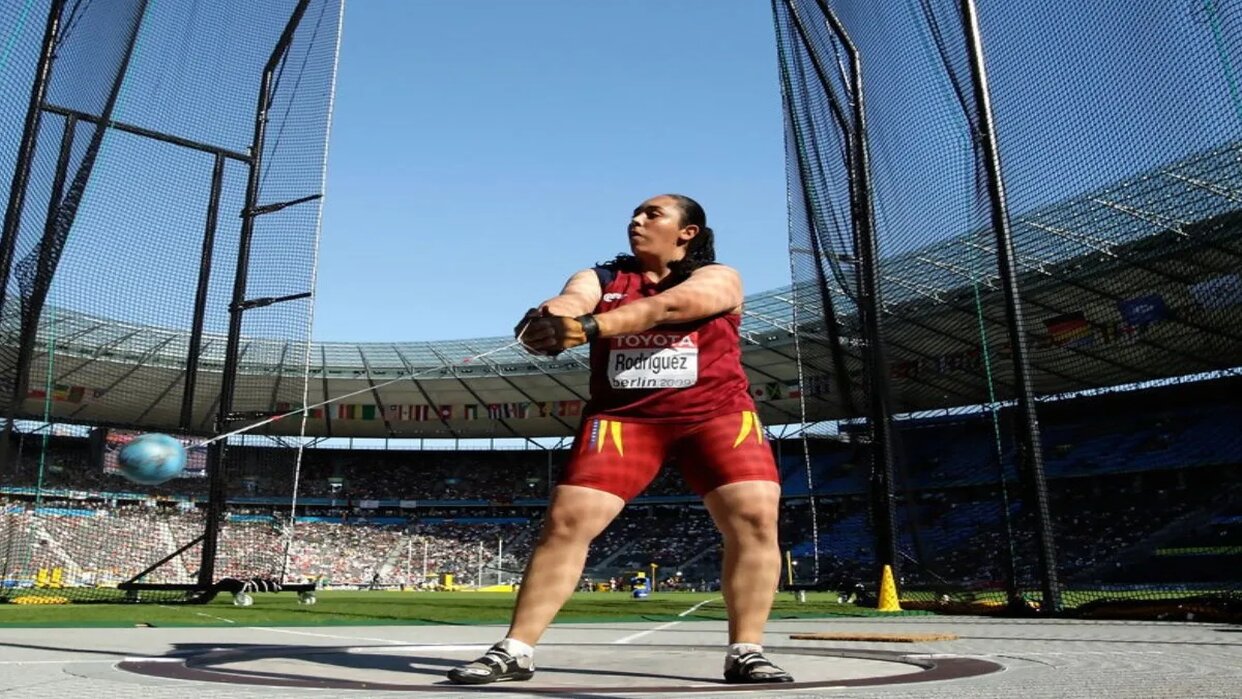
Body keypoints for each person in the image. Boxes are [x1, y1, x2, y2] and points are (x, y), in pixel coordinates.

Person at [447, 194, 792, 686]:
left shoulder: (719, 276)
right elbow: (569, 300)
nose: (636, 220)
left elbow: (670, 306)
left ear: (687, 231)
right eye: (635, 213)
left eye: (653, 213)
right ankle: (516, 648)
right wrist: (549, 322)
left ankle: (746, 650)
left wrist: (589, 327)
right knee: (566, 521)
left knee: (756, 516)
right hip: (624, 421)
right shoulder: (601, 278)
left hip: (715, 415)